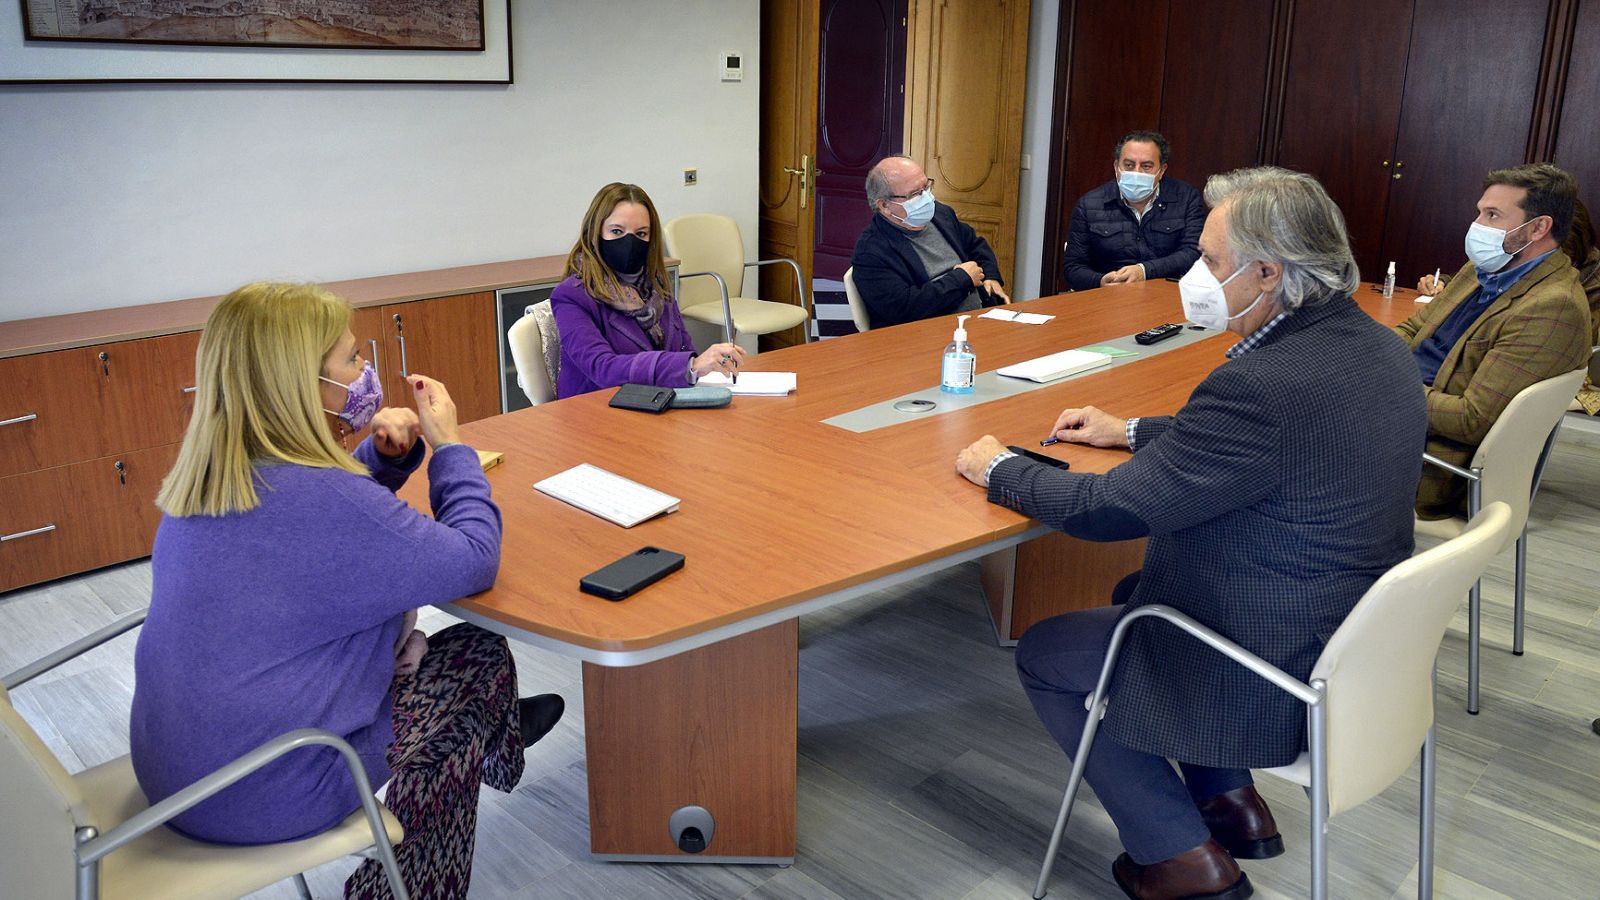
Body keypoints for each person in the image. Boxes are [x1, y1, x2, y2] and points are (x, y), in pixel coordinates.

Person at [956, 168, 1426, 899]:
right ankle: (1229, 802)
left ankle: (1180, 857)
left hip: (1272, 652)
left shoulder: (1261, 385)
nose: (1195, 275)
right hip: (1348, 625)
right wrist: (1133, 430)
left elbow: (1107, 513)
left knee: (1048, 652)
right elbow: (1271, 443)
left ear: (1267, 272)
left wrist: (1000, 470)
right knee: (1135, 588)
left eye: (1210, 260)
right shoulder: (1374, 346)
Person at [130, 282, 564, 899]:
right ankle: (407, 874)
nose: (365, 372)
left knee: (443, 661)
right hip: (269, 791)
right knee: (476, 658)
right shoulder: (326, 500)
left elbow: (320, 541)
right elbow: (474, 560)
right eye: (352, 359)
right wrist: (452, 448)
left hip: (178, 777)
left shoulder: (207, 479)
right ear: (302, 383)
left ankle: (499, 736)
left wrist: (381, 462)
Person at [1396, 164, 1592, 518]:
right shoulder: (1485, 269)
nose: (1477, 225)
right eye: (1480, 212)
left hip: (1428, 463)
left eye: (1492, 215)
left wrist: (1381, 387)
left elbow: (1473, 419)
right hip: (1397, 417)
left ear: (1538, 228)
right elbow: (1414, 329)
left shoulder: (1551, 307)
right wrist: (1363, 359)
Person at [551, 182, 745, 398]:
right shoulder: (571, 296)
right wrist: (691, 366)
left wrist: (707, 364)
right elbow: (602, 368)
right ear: (595, 233)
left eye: (641, 233)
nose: (630, 242)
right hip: (596, 411)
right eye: (616, 231)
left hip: (656, 402)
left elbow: (683, 348)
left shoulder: (656, 287)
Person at [849, 154, 1010, 329]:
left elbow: (975, 244)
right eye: (915, 194)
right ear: (884, 206)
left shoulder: (940, 214)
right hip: (925, 334)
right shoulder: (870, 252)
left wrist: (991, 277)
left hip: (978, 318)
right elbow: (905, 309)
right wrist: (961, 279)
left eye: (926, 187)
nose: (927, 198)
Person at [1060, 130, 1206, 292]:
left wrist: (1144, 271)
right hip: (1108, 299)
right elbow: (1073, 267)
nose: (1136, 172)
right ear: (1116, 167)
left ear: (1162, 170)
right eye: (1128, 165)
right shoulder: (1089, 204)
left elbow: (1194, 252)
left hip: (1166, 295)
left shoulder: (1186, 198)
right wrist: (1100, 281)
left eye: (1146, 166)